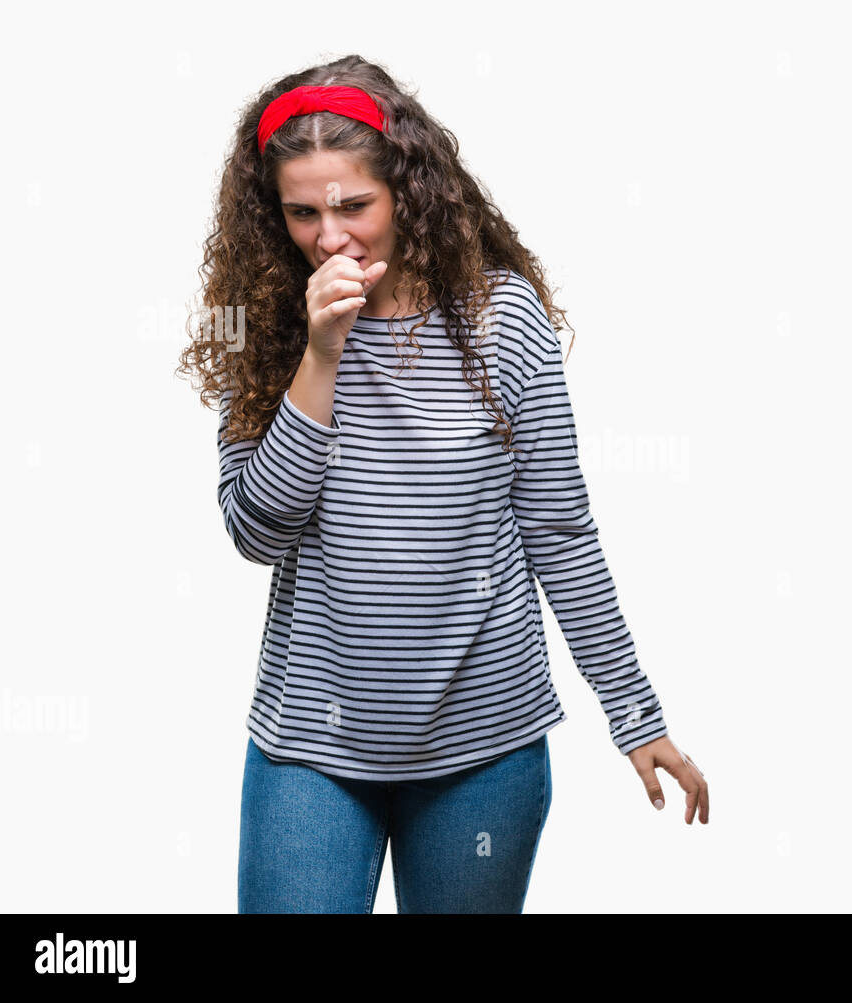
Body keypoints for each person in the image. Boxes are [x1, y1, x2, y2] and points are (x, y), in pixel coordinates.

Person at [176, 55, 708, 914]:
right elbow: (255, 531)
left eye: (355, 205)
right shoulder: (266, 321)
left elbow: (560, 534)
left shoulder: (502, 319)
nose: (331, 235)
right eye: (302, 212)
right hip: (312, 745)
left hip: (483, 747)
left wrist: (635, 713)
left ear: (408, 192)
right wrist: (321, 356)